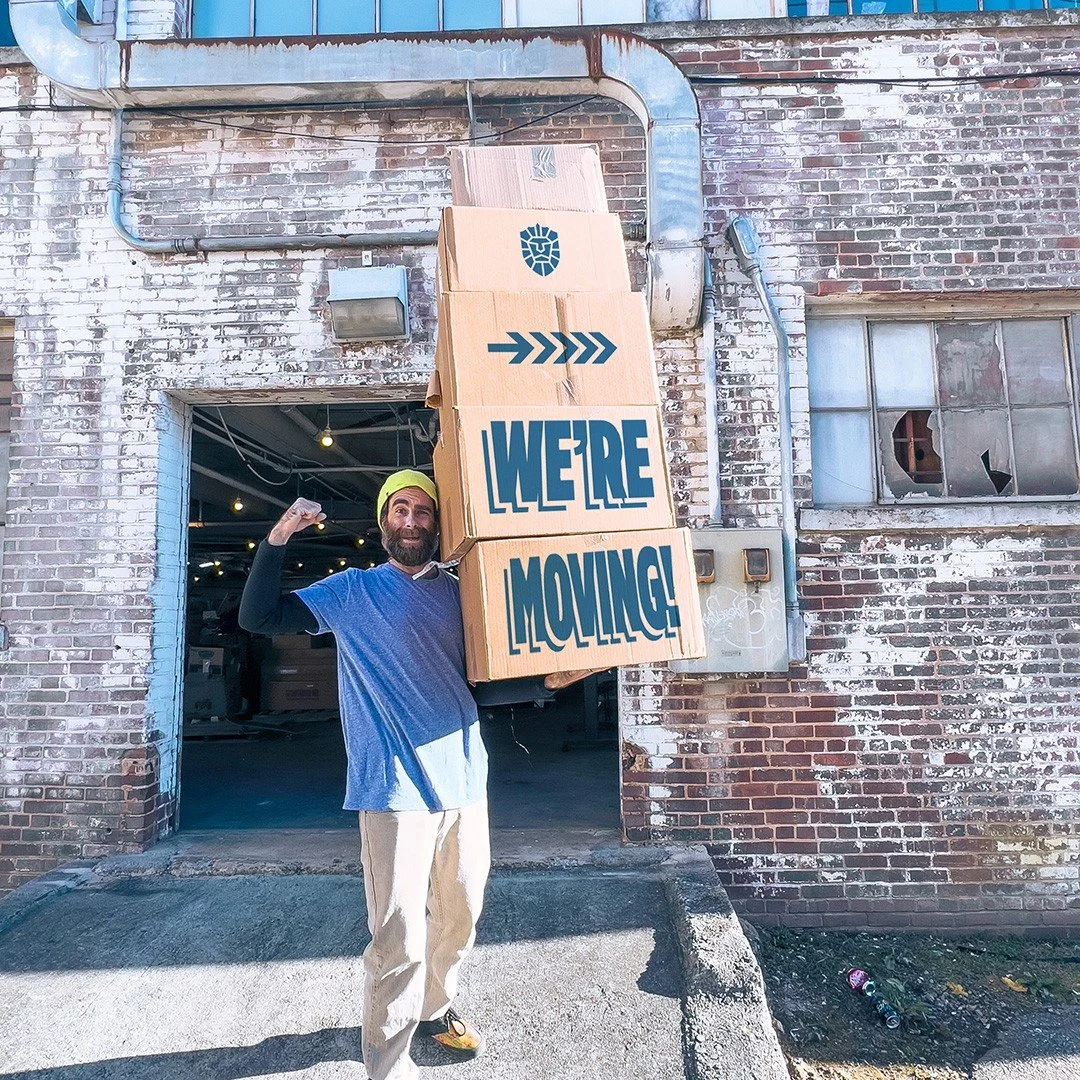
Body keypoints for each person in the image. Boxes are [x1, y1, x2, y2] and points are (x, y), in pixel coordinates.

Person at [238, 469, 488, 1080]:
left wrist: (562, 673)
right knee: (398, 936)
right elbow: (260, 617)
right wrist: (278, 537)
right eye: (400, 510)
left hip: (465, 778)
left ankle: (435, 1007)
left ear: (438, 523)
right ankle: (388, 1064)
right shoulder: (353, 591)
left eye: (422, 511)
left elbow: (492, 677)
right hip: (393, 787)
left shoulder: (465, 593)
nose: (411, 521)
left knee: (459, 918)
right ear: (383, 524)